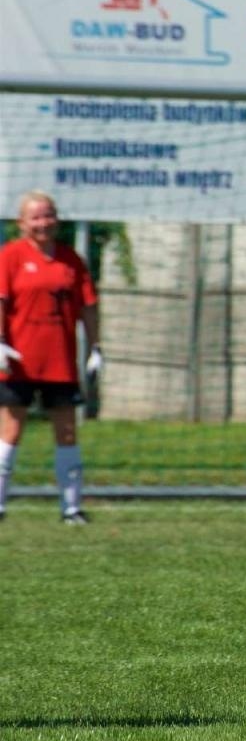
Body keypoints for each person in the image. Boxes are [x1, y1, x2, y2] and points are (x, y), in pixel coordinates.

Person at [0, 191, 100, 525]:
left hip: (60, 361)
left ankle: (71, 508)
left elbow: (88, 306)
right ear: (22, 223)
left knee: (67, 432)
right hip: (19, 360)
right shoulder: (10, 256)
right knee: (10, 431)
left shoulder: (71, 260)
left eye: (49, 216)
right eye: (37, 217)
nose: (44, 223)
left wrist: (97, 347)